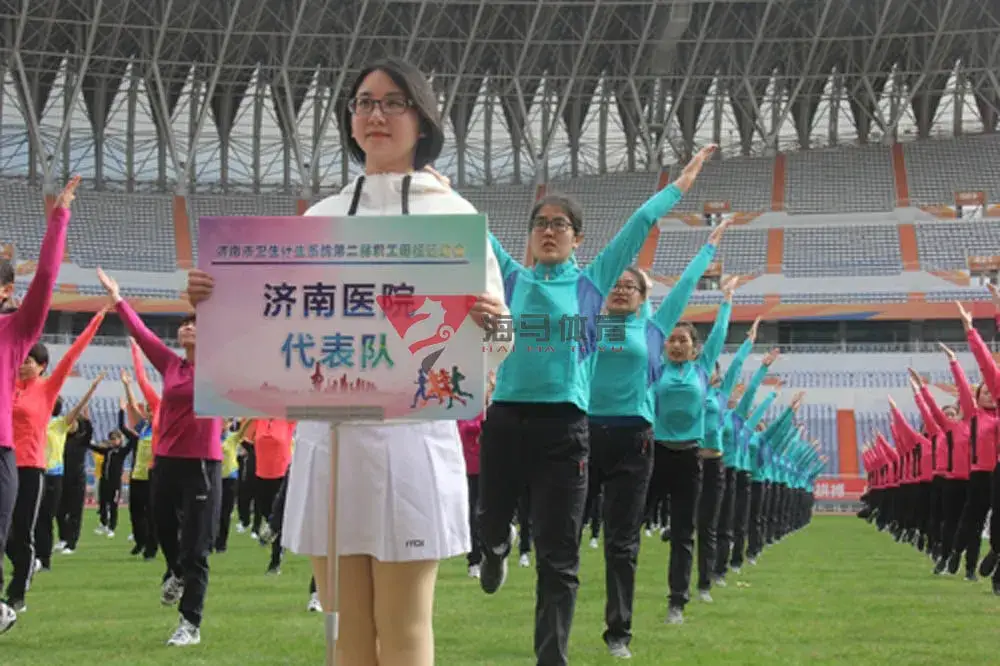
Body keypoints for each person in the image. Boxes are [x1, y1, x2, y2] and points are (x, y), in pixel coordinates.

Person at [186, 57, 510, 666]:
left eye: (392, 102)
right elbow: (275, 332)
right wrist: (217, 301)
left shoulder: (455, 220)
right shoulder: (319, 220)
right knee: (345, 632)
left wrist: (494, 329)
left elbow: (494, 349)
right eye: (364, 102)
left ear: (422, 118)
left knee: (405, 627)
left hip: (412, 441)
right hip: (329, 443)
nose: (375, 115)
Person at [478, 141, 715, 663]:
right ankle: (493, 548)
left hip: (565, 429)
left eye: (560, 224)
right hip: (506, 420)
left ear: (577, 238)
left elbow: (639, 223)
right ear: (530, 234)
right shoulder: (511, 277)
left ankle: (552, 657)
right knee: (490, 521)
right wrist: (434, 184)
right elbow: (473, 229)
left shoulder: (591, 285)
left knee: (558, 557)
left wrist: (680, 186)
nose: (548, 231)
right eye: (541, 223)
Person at [585, 222, 728, 657]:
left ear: (643, 298)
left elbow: (683, 289)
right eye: (615, 284)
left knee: (623, 542)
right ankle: (551, 629)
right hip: (585, 435)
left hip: (637, 442)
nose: (621, 289)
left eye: (631, 286)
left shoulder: (651, 331)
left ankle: (620, 632)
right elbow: (535, 332)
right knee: (562, 535)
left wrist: (707, 251)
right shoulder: (591, 327)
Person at [97, 268, 223, 647]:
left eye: (195, 324)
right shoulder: (171, 365)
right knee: (164, 529)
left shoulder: (221, 366)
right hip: (165, 462)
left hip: (201, 463)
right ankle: (176, 572)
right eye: (184, 324)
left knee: (196, 548)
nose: (187, 328)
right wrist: (118, 299)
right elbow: (143, 334)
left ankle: (190, 623)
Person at [0, 175, 79, 633]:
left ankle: (11, 597)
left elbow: (47, 278)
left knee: (10, 536)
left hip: (4, 454)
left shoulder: (14, 333)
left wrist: (59, 216)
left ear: (6, 292)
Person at [6, 306, 106, 612]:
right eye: (21, 359)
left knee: (22, 530)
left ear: (42, 367)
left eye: (30, 361)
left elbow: (73, 354)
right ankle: (19, 574)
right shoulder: (7, 385)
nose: (23, 365)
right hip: (5, 463)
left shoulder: (47, 389)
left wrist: (100, 316)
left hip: (31, 468)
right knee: (3, 531)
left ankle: (18, 593)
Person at [649, 277, 736, 626]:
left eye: (682, 340)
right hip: (654, 455)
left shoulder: (701, 371)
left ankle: (677, 601)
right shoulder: (655, 369)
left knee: (684, 534)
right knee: (628, 525)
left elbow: (719, 335)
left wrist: (726, 301)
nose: (675, 345)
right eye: (671, 340)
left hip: (689, 458)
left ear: (695, 349)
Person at [35, 378, 101, 572]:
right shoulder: (37, 421)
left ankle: (44, 558)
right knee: (35, 517)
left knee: (46, 517)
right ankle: (34, 555)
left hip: (53, 475)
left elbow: (78, 408)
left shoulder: (60, 424)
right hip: (36, 472)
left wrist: (91, 390)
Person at [458, 371, 494, 579]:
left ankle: (491, 551)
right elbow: (463, 431)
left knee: (487, 513)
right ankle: (474, 559)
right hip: (468, 468)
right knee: (473, 513)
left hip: (488, 467)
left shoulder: (492, 411)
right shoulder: (465, 410)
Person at [120, 371, 157, 559]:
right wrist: (127, 386)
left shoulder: (161, 428)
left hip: (153, 477)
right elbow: (134, 408)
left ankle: (151, 547)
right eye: (148, 410)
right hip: (137, 475)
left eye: (152, 410)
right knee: (135, 512)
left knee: (151, 513)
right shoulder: (143, 427)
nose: (149, 413)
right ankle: (140, 541)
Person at [56, 405, 94, 554]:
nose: (71, 425)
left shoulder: (82, 440)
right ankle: (63, 538)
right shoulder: (62, 438)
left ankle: (71, 544)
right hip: (61, 478)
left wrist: (87, 420)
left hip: (77, 480)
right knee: (59, 511)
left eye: (74, 423)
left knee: (75, 513)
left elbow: (89, 433)